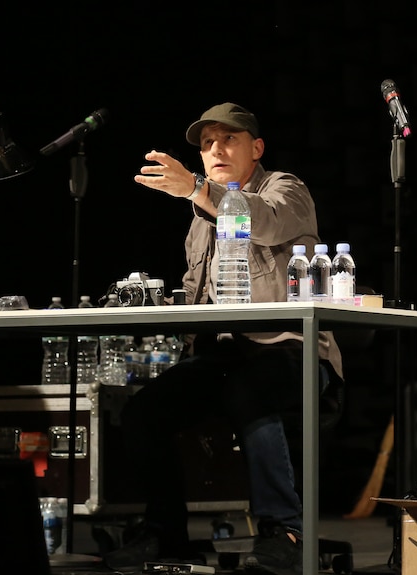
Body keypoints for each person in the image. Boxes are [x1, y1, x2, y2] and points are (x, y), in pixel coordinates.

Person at [104, 103, 343, 575]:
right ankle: (167, 535)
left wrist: (196, 186)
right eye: (207, 142)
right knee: (144, 410)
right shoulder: (200, 218)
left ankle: (285, 530)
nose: (215, 149)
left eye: (228, 139)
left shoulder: (285, 188)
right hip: (227, 357)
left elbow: (267, 220)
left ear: (256, 148)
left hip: (290, 349)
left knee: (248, 389)